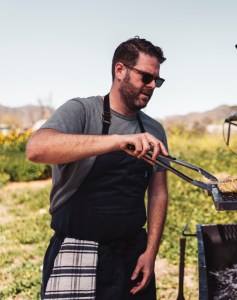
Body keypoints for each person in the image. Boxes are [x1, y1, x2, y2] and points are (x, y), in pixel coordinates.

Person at [26, 37, 169, 300]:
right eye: (146, 77)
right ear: (120, 70)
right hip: (79, 248)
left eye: (156, 81)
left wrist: (150, 252)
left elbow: (158, 193)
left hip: (132, 254)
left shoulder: (154, 129)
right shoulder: (81, 111)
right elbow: (36, 148)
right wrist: (117, 142)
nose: (152, 86)